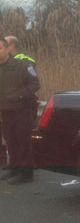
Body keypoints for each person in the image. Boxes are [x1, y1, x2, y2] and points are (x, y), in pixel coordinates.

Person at [0, 37, 40, 184]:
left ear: (7, 49)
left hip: (22, 110)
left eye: (0, 48)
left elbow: (35, 84)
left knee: (23, 141)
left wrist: (21, 95)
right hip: (5, 111)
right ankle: (14, 168)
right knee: (11, 141)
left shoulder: (21, 65)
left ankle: (26, 174)